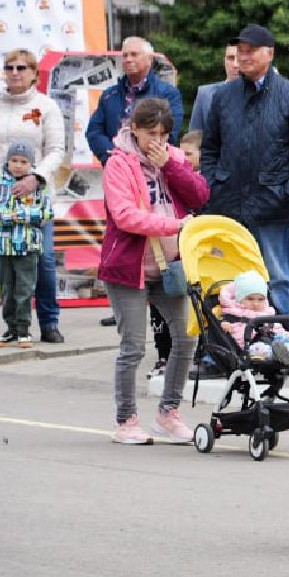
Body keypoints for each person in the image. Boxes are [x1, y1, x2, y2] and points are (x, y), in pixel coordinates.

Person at [96, 98, 209, 445]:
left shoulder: (171, 157)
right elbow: (125, 215)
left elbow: (200, 195)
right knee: (133, 345)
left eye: (163, 134)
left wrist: (172, 167)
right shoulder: (118, 164)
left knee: (186, 337)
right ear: (135, 130)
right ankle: (126, 420)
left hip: (168, 267)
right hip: (130, 266)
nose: (156, 141)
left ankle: (168, 413)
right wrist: (174, 225)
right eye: (150, 134)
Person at [199, 24, 289, 315]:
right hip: (229, 202)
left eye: (251, 50)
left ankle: (286, 342)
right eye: (240, 51)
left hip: (273, 203)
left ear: (271, 53)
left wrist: (287, 193)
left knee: (278, 279)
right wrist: (214, 185)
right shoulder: (224, 96)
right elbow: (210, 148)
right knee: (229, 276)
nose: (244, 56)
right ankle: (230, 341)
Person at [0, 49, 69, 344]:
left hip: (34, 200)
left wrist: (36, 177)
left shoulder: (46, 106)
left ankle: (49, 321)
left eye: (22, 67)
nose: (15, 72)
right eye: (9, 67)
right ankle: (16, 326)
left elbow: (57, 150)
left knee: (42, 260)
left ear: (34, 72)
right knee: (6, 266)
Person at [0, 143, 53, 347]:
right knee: (6, 288)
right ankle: (10, 329)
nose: (18, 165)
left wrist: (21, 216)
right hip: (3, 245)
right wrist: (4, 216)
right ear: (8, 161)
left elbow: (47, 213)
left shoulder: (39, 187)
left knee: (24, 288)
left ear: (31, 164)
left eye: (23, 161)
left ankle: (24, 330)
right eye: (14, 160)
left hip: (27, 246)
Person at [84, 36, 184, 161]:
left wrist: (139, 160)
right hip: (116, 168)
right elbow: (94, 132)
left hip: (153, 169)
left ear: (149, 59)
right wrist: (113, 156)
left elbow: (170, 133)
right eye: (125, 55)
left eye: (134, 54)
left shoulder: (168, 94)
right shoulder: (109, 95)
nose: (128, 59)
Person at [188, 44, 240, 133]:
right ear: (224, 61)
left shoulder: (259, 93)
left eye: (239, 59)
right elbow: (194, 138)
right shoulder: (205, 94)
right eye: (230, 58)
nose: (235, 64)